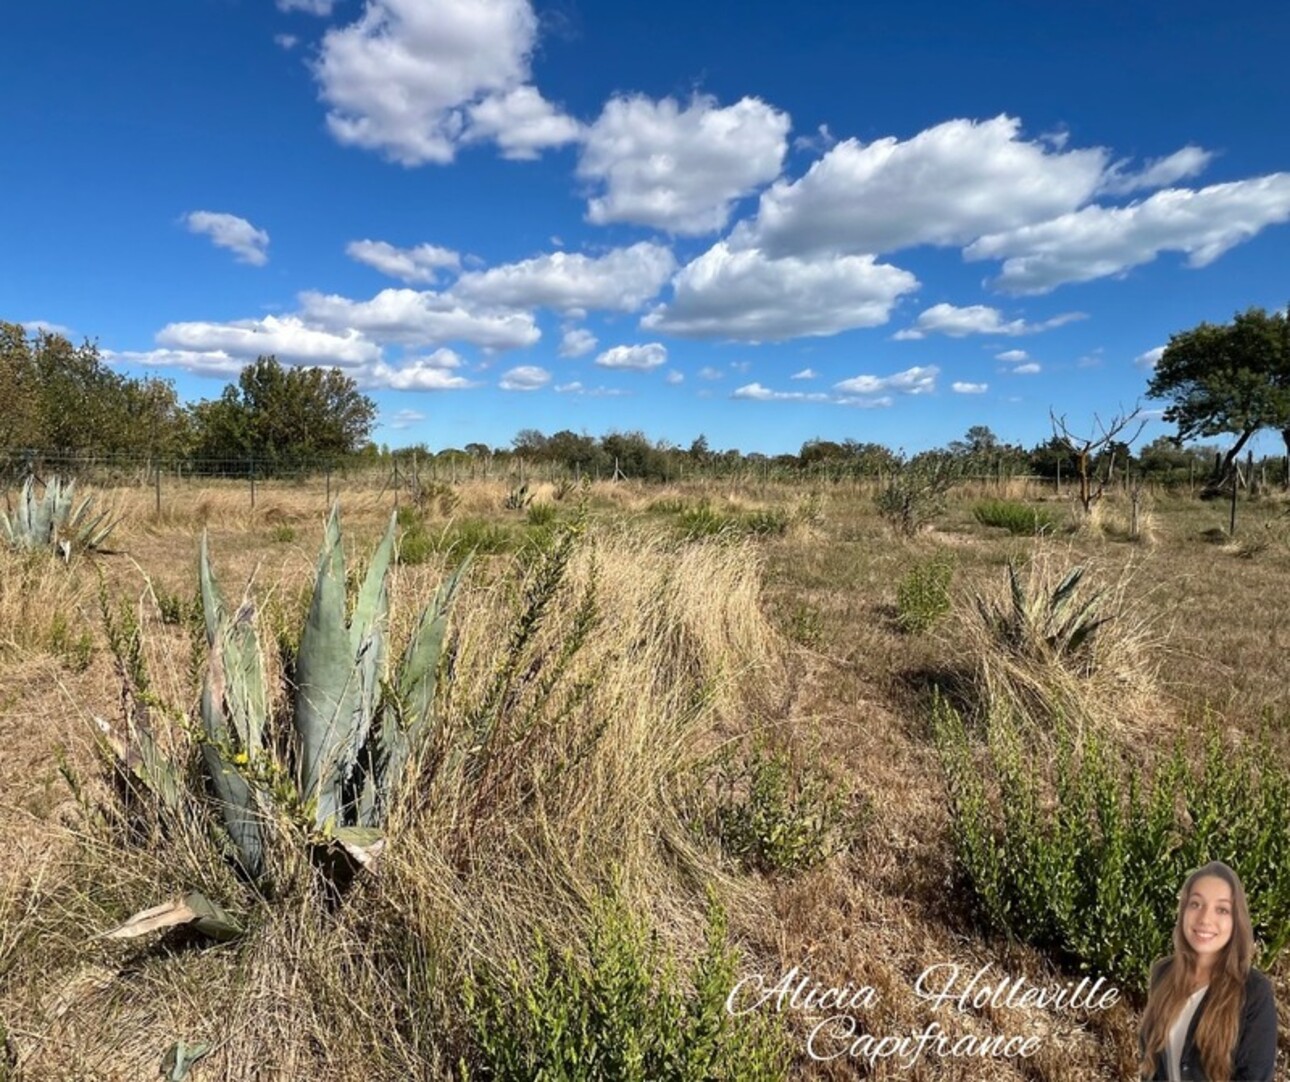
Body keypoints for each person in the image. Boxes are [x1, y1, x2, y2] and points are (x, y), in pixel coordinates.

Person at [1139, 861, 1278, 1080]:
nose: (1205, 919)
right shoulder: (1163, 974)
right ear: (1183, 910)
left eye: (1221, 909)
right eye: (1196, 904)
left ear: (1236, 921)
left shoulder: (1253, 991)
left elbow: (1255, 1076)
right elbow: (1153, 1068)